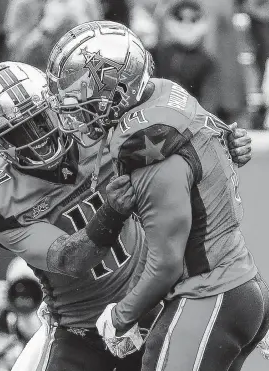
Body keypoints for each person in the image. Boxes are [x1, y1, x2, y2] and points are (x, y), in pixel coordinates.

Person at [0, 60, 250, 371]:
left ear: (55, 107)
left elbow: (178, 135)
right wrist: (111, 213)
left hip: (154, 304)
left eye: (41, 119)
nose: (39, 137)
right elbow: (70, 260)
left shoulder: (94, 127)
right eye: (19, 133)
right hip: (81, 329)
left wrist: (225, 142)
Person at [45, 20, 269, 370]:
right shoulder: (163, 93)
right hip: (239, 283)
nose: (74, 104)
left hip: (209, 295)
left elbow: (166, 264)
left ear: (115, 90)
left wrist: (119, 317)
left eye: (83, 89)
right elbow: (223, 138)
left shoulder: (149, 151)